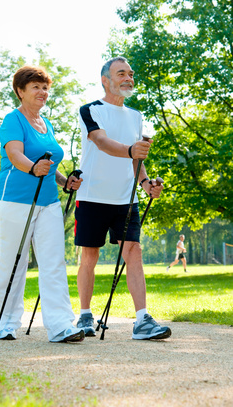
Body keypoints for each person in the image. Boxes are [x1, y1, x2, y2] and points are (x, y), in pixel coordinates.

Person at [74, 57, 171, 340]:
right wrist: (132, 151)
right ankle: (84, 316)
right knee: (89, 256)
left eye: (130, 73)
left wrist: (146, 184)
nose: (128, 77)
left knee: (134, 252)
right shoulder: (90, 110)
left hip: (126, 199)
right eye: (121, 73)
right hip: (92, 196)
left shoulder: (137, 116)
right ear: (105, 80)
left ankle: (142, 320)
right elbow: (102, 143)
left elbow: (136, 158)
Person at [0, 65, 84, 343]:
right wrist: (33, 169)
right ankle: (5, 323)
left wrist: (64, 181)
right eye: (36, 87)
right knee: (13, 263)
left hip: (48, 203)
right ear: (20, 91)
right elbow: (16, 155)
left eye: (45, 87)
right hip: (14, 201)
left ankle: (60, 326)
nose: (43, 92)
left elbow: (48, 164)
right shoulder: (13, 120)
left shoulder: (47, 123)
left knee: (54, 262)